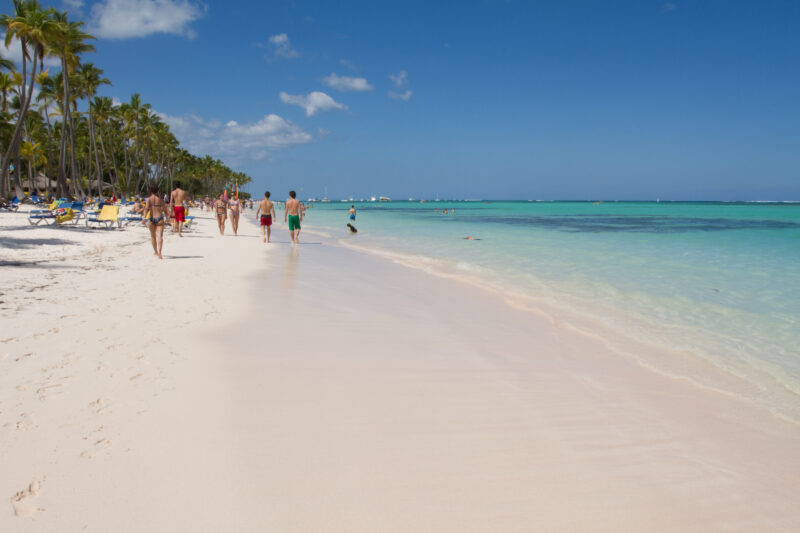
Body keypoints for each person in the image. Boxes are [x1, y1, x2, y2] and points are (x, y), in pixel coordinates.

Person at [144, 184, 166, 259]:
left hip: (151, 219)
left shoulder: (148, 199)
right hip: (159, 218)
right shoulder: (160, 200)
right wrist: (168, 217)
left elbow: (146, 209)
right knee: (160, 236)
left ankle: (156, 252)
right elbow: (165, 210)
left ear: (150, 190)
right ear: (157, 191)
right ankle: (160, 252)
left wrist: (143, 218)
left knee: (153, 236)